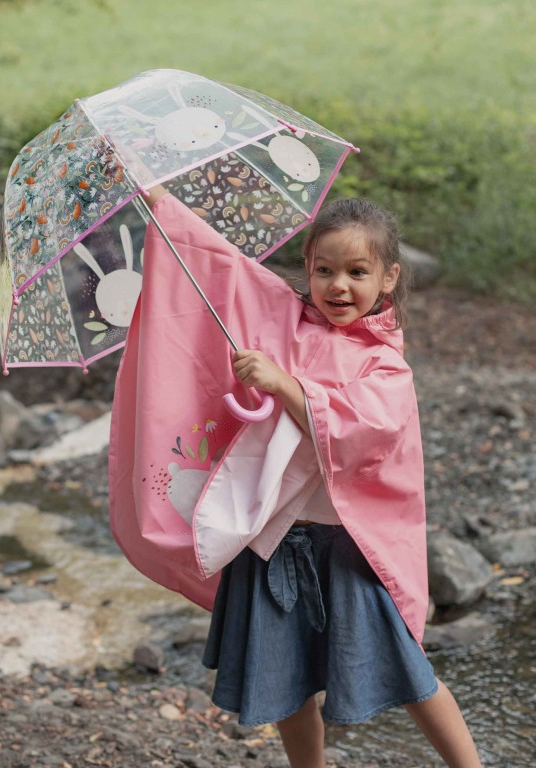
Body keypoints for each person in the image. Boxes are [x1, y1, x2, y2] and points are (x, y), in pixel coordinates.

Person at [111, 185, 482, 768]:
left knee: (411, 672)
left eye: (357, 271)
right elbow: (222, 270)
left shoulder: (384, 361)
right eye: (324, 269)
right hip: (273, 539)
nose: (339, 285)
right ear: (306, 270)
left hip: (350, 548)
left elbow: (366, 432)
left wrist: (285, 384)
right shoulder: (283, 320)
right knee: (285, 680)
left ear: (388, 278)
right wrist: (165, 208)